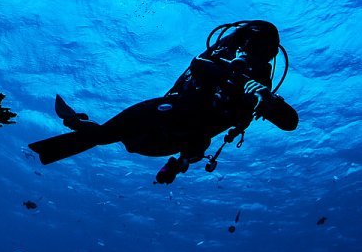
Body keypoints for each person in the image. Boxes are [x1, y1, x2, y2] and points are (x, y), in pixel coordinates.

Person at [28, 20, 298, 184]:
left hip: (175, 142)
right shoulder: (220, 57)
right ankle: (71, 124)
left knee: (108, 136)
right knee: (103, 135)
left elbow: (290, 122)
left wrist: (268, 100)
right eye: (250, 44)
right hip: (163, 117)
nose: (252, 53)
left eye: (263, 51)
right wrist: (239, 81)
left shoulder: (260, 85)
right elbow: (200, 66)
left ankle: (175, 165)